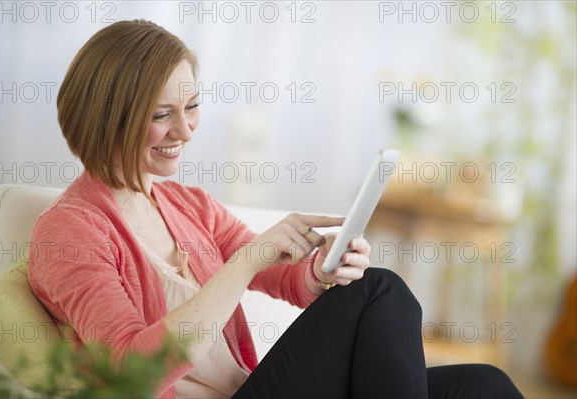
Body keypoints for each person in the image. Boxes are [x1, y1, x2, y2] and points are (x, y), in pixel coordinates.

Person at [28, 20, 524, 399]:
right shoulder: (71, 230)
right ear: (107, 118)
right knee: (379, 291)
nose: (186, 130)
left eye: (192, 106)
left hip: (251, 387)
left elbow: (286, 278)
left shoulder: (186, 204)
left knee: (485, 385)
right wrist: (246, 261)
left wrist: (321, 268)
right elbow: (130, 372)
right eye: (161, 115)